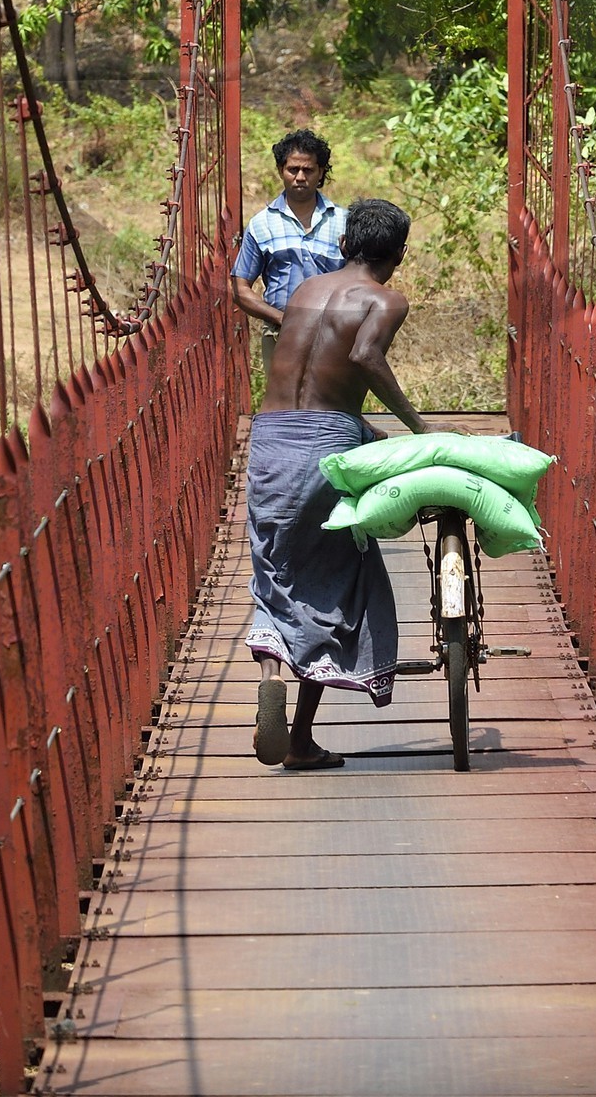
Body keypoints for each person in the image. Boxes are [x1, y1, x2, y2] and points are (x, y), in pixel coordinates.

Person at [245, 196, 426, 770]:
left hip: (271, 438)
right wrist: (418, 429)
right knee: (341, 574)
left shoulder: (303, 291)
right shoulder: (387, 299)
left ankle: (272, 667)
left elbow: (312, 386)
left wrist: (363, 429)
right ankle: (299, 739)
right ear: (396, 254)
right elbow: (364, 355)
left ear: (345, 244)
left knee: (275, 568)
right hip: (326, 447)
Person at [230, 128, 345, 372]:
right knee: (283, 407)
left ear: (321, 172)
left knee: (330, 405)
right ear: (281, 170)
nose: (300, 177)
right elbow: (240, 289)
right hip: (279, 335)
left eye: (308, 170)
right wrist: (279, 318)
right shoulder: (261, 225)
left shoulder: (344, 223)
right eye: (293, 169)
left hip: (335, 335)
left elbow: (361, 278)